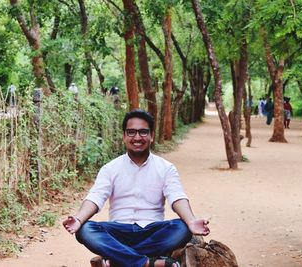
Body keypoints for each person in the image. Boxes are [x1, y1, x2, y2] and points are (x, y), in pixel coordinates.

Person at [63, 109, 210, 267]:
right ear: (124, 136)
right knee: (85, 229)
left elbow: (177, 197)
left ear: (152, 135)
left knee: (182, 228)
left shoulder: (166, 168)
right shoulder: (110, 168)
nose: (137, 137)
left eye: (143, 132)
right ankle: (147, 262)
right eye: (131, 132)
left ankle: (119, 258)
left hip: (153, 231)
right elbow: (95, 197)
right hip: (119, 232)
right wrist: (78, 219)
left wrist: (191, 221)